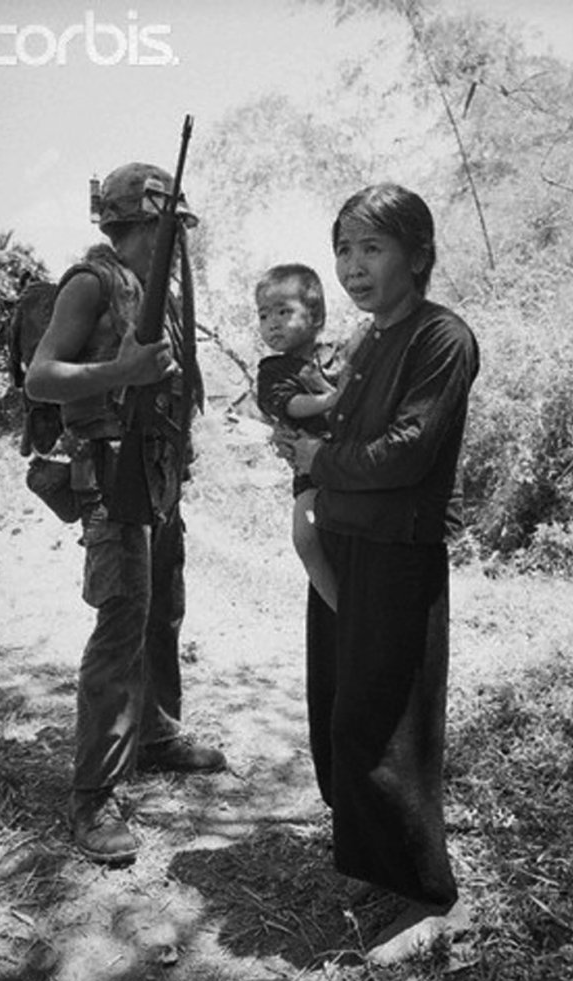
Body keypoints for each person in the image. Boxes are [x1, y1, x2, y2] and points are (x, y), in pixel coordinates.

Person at [287, 183, 480, 964]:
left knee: (389, 724)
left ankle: (431, 899)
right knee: (340, 709)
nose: (352, 266)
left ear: (418, 255)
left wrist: (319, 459)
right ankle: (377, 866)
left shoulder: (442, 337)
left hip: (399, 552)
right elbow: (340, 430)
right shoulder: (367, 340)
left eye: (371, 248)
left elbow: (407, 452)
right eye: (343, 249)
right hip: (344, 544)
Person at [25, 162, 227, 866]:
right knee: (121, 622)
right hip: (110, 477)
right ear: (144, 223)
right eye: (169, 225)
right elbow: (42, 376)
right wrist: (122, 373)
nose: (179, 237)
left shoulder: (156, 294)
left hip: (157, 474)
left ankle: (152, 733)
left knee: (162, 609)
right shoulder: (91, 283)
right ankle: (92, 796)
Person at [256, 263, 344, 612]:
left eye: (283, 312)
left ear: (316, 316)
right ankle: (340, 607)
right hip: (312, 475)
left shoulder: (340, 356)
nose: (272, 323)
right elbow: (290, 405)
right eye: (264, 315)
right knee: (305, 535)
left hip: (351, 467)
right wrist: (332, 400)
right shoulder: (272, 371)